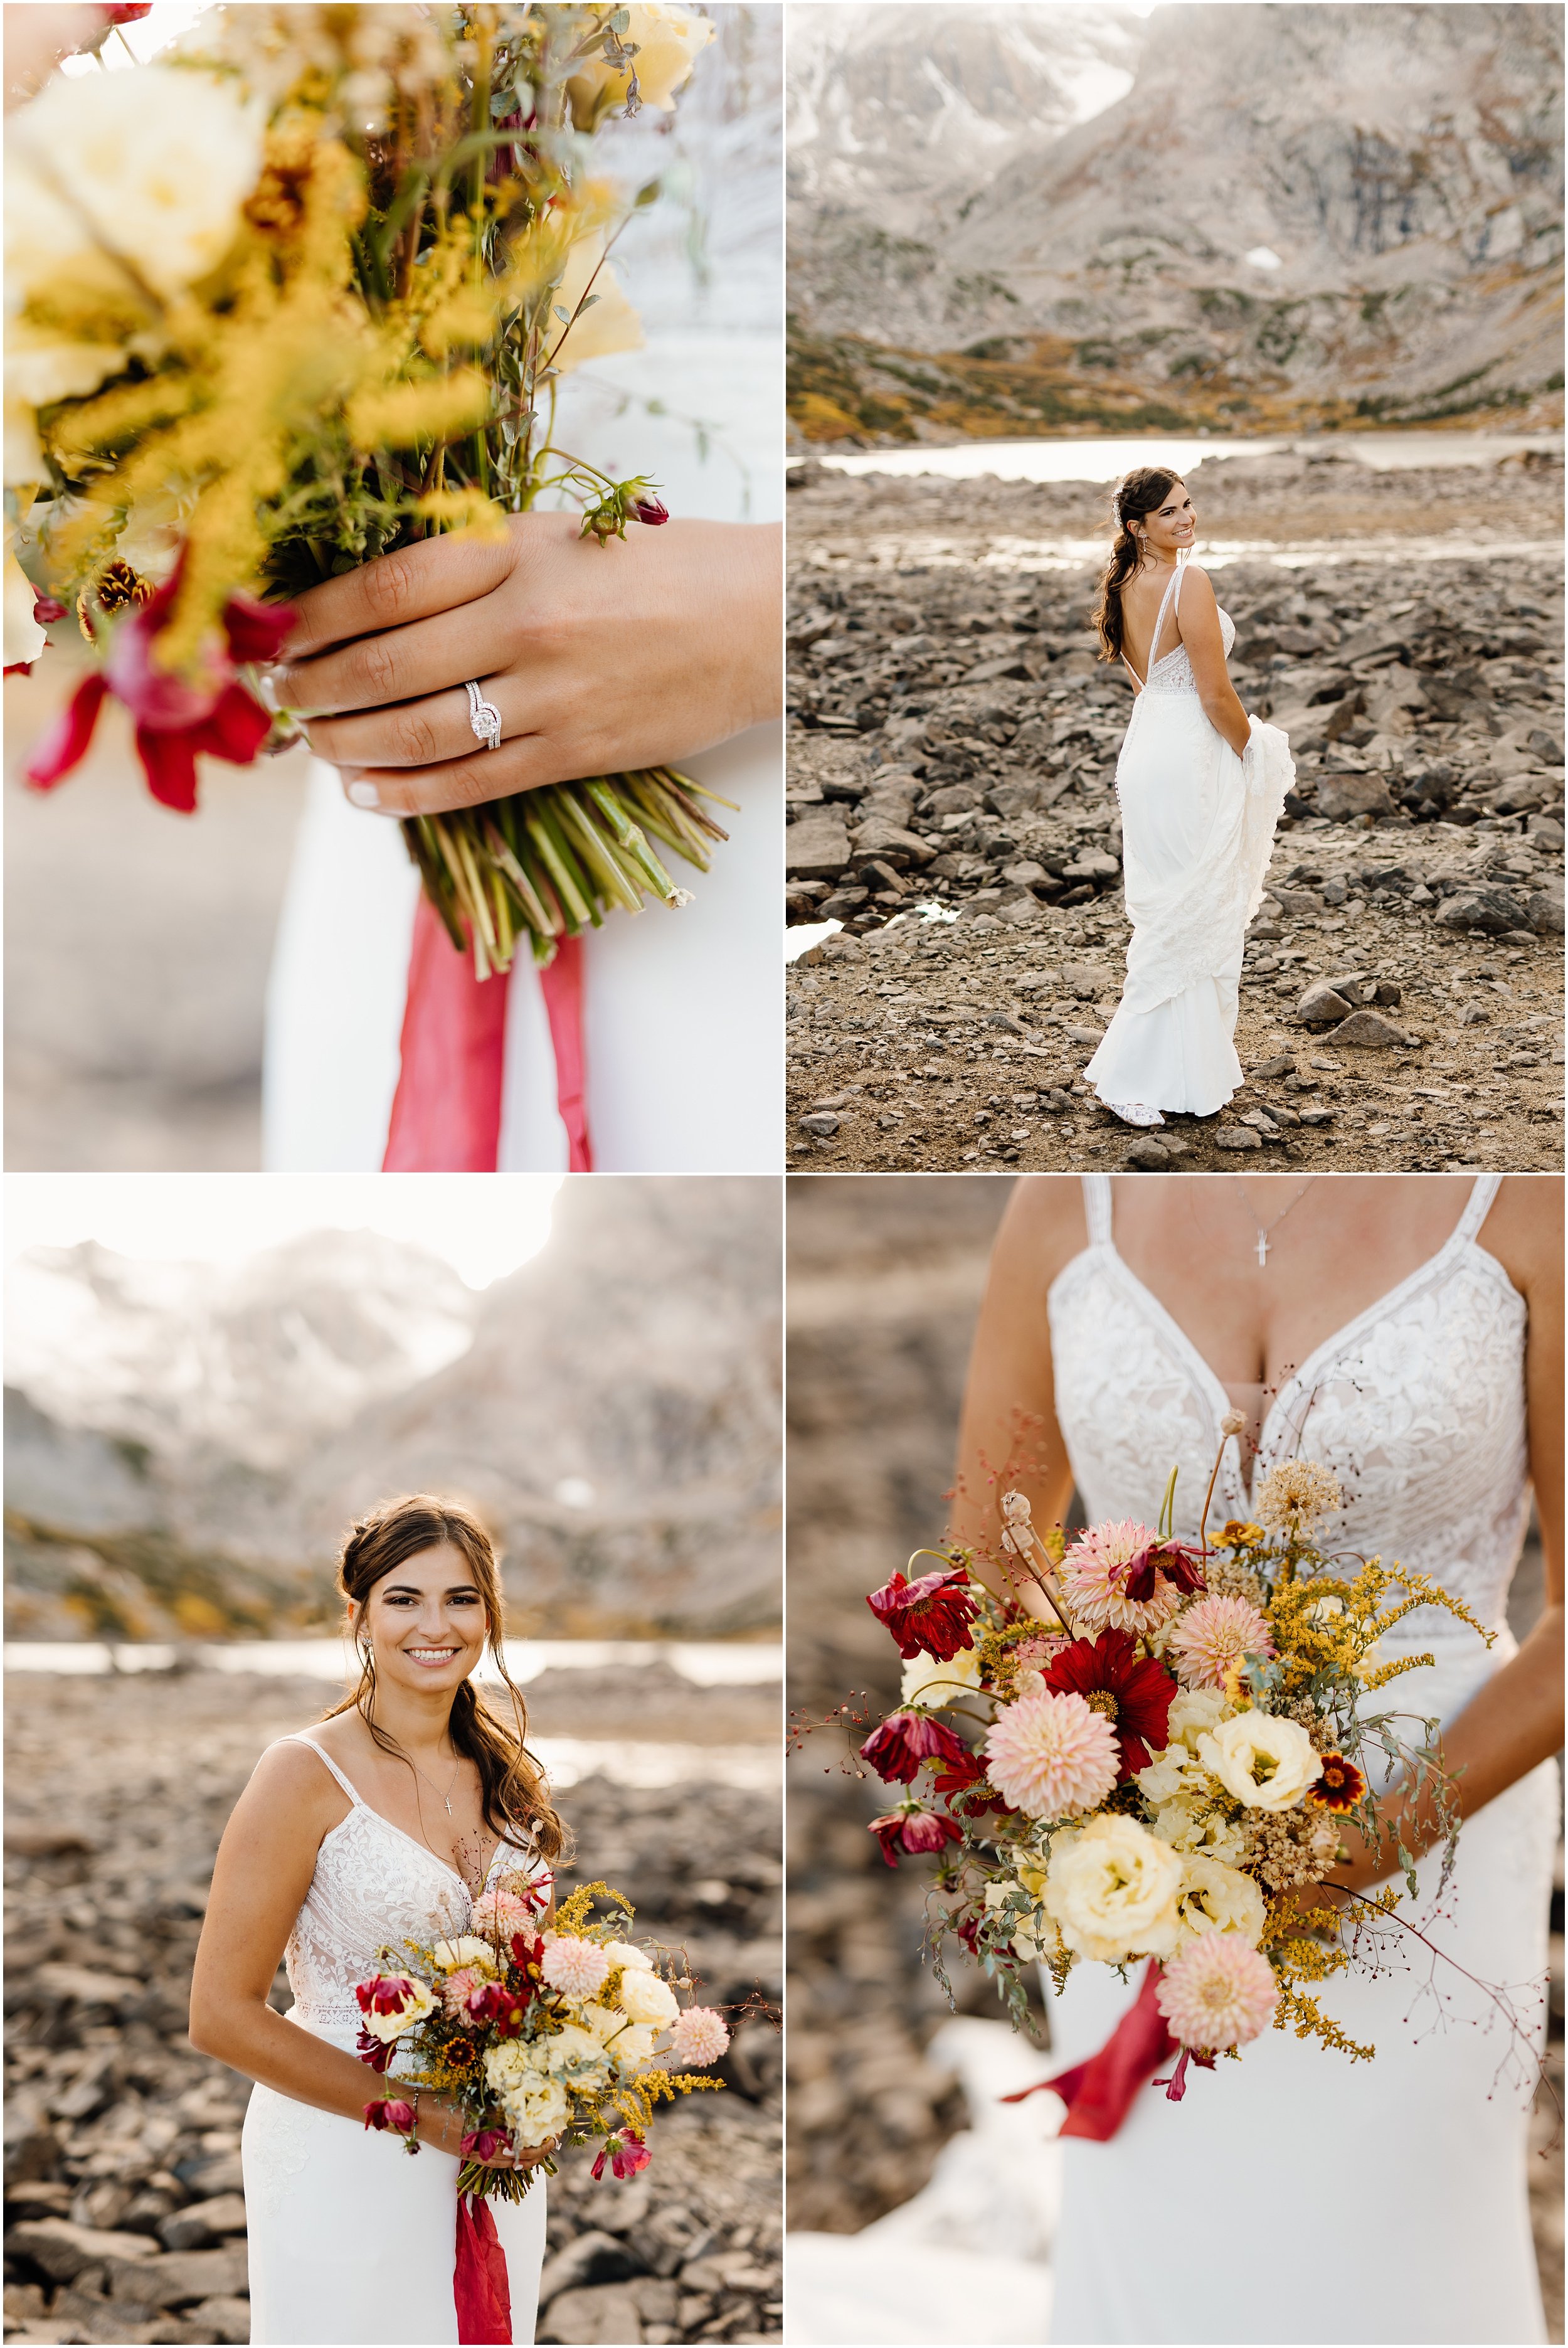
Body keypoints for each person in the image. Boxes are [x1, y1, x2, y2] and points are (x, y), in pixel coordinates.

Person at [952, 1174, 1563, 2346]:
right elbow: (994, 1560)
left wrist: (1352, 1851)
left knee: (1396, 2247)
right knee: (1166, 2236)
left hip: (1441, 1831)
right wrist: (1095, 1759)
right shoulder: (1060, 1210)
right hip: (1133, 1858)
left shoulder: (1530, 1200)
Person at [190, 1497, 563, 2346]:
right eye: (405, 1598)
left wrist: (563, 2073)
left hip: (490, 2152)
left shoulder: (503, 1771)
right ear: (358, 1614)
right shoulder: (302, 1772)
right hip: (345, 2146)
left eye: (462, 1598)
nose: (436, 1623)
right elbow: (219, 2014)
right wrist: (423, 2114)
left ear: (490, 1613)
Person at [1083, 469, 1292, 1129]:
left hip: (1147, 743)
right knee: (1187, 911)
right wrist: (1252, 748)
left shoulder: (1121, 583)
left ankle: (1183, 1072)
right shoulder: (1188, 581)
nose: (1186, 518)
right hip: (1188, 752)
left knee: (1178, 908)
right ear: (1135, 526)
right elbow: (1213, 692)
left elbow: (1147, 680)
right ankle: (1127, 1074)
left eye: (1188, 505)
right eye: (1169, 512)